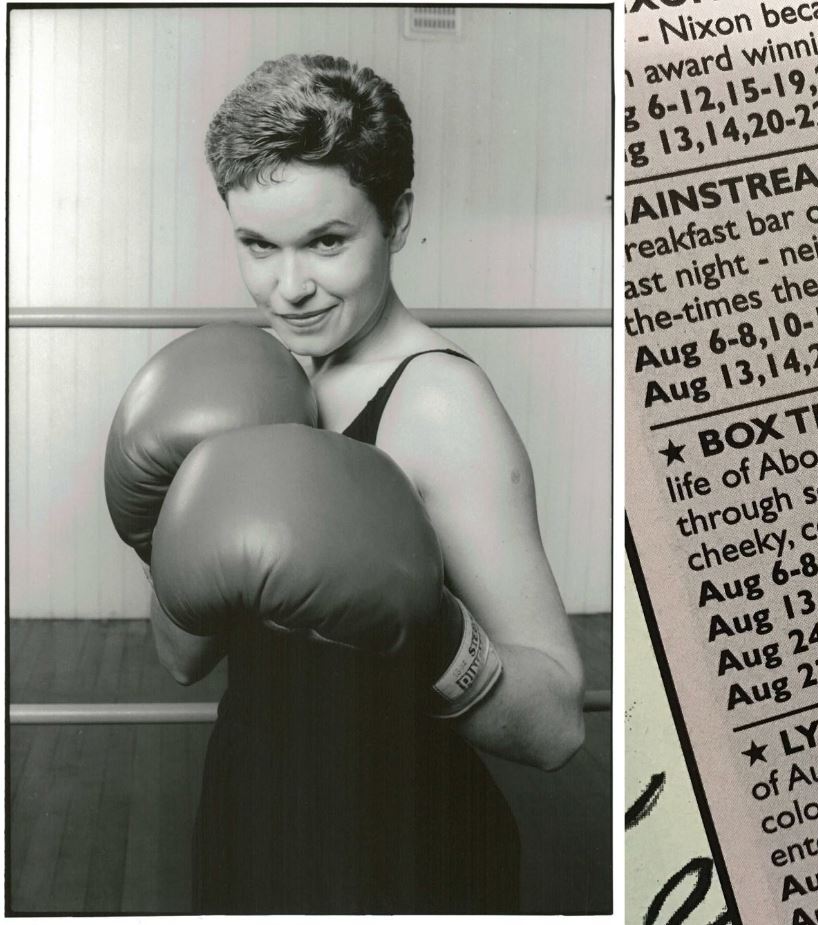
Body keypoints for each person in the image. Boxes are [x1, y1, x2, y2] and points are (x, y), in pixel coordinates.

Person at [144, 53, 583, 912]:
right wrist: (158, 534)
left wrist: (426, 626)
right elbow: (184, 659)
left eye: (328, 241)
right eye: (258, 246)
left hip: (404, 846)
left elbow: (559, 725)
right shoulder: (254, 380)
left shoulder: (439, 405)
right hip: (249, 813)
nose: (291, 286)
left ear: (399, 218)